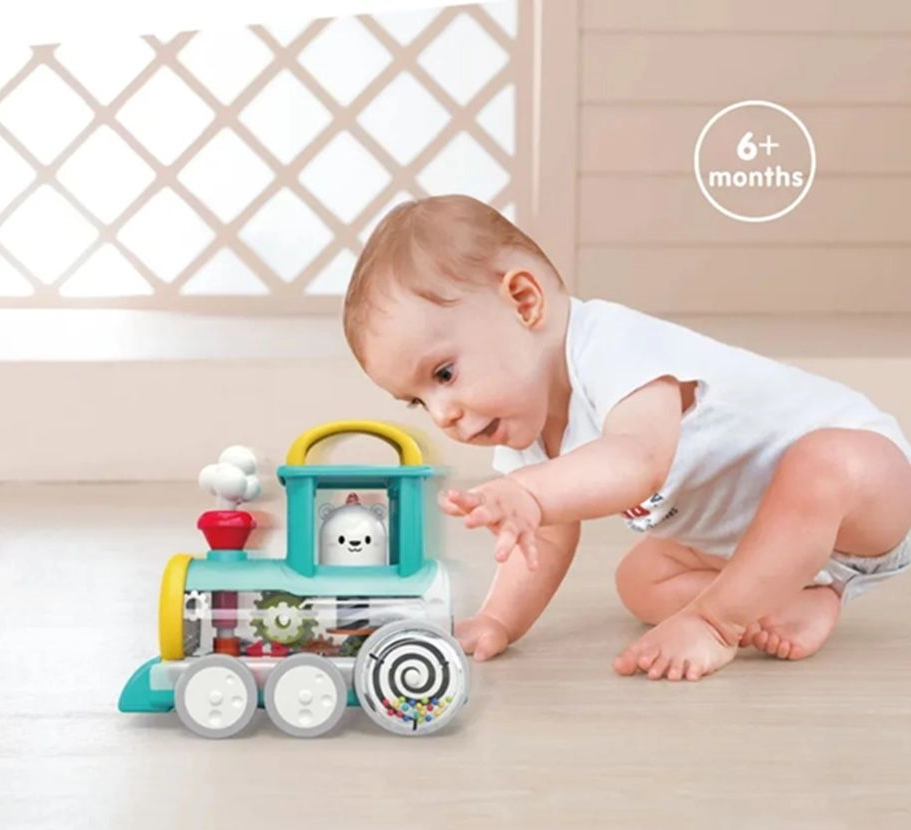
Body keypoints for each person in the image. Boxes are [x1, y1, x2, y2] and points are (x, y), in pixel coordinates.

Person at [341, 194, 911, 681]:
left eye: (444, 374)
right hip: (764, 540)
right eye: (420, 400)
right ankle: (800, 593)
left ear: (524, 301)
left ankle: (717, 621)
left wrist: (532, 494)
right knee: (640, 581)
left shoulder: (611, 345)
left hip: (869, 494)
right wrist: (498, 620)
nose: (442, 413)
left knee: (827, 460)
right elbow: (544, 540)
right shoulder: (529, 426)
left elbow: (640, 461)